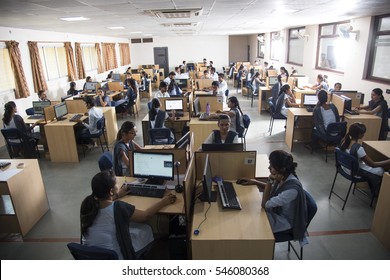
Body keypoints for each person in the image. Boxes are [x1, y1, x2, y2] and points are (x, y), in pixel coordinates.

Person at [80, 170, 176, 260]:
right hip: (116, 257)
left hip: (91, 257)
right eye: (116, 184)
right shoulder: (118, 208)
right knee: (146, 229)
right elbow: (145, 216)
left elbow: (104, 202)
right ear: (110, 191)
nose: (118, 185)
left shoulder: (87, 205)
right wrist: (164, 202)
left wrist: (116, 195)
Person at [236, 150, 308, 241]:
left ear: (281, 169)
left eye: (272, 166)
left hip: (286, 222)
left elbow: (265, 204)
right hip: (277, 213)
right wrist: (254, 182)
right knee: (250, 213)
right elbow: (274, 190)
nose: (269, 168)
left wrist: (269, 180)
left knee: (253, 224)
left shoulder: (291, 190)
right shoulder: (285, 177)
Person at [340, 123, 390, 197]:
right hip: (354, 172)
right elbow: (373, 164)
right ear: (360, 134)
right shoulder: (358, 148)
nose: (364, 135)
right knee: (382, 170)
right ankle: (378, 194)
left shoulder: (344, 142)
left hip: (345, 168)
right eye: (363, 133)